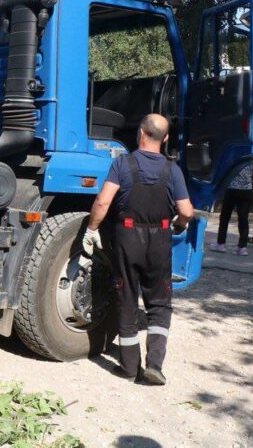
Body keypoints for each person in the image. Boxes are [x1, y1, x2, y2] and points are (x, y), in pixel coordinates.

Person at [83, 114, 194, 386]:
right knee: (159, 303)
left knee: (127, 298)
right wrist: (178, 226)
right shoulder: (173, 170)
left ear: (140, 133)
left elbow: (102, 202)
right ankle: (154, 365)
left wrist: (91, 229)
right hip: (160, 239)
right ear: (165, 138)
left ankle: (129, 366)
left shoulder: (123, 163)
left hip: (128, 237)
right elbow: (186, 211)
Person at [209, 161, 253, 255]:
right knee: (243, 219)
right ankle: (242, 247)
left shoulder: (234, 155)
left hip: (231, 189)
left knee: (225, 217)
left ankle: (221, 243)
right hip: (247, 191)